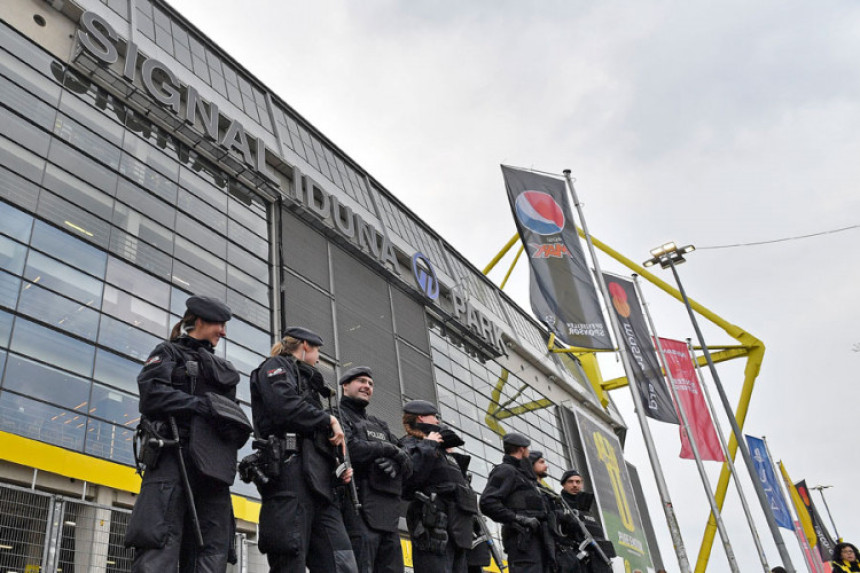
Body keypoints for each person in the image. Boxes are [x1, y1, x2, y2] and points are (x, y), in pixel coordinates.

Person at [125, 295, 252, 572]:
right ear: (201, 321)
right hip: (173, 456)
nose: (223, 332)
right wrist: (201, 405)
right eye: (219, 324)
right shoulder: (169, 352)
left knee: (211, 551)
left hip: (213, 467)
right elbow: (151, 396)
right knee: (159, 542)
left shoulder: (223, 370)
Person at [250, 327, 358, 573]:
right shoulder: (275, 366)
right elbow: (284, 406)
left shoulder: (311, 385)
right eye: (317, 349)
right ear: (306, 346)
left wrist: (338, 468)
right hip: (290, 476)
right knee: (290, 560)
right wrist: (327, 420)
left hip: (321, 485)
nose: (319, 357)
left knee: (341, 563)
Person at [337, 366, 412, 573]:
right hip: (357, 508)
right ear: (345, 385)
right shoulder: (337, 415)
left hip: (387, 517)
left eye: (370, 384)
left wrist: (396, 461)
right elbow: (350, 448)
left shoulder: (379, 424)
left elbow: (406, 457)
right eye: (361, 381)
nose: (367, 386)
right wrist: (388, 449)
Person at [399, 400, 479, 573]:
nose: (437, 422)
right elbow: (410, 479)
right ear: (421, 418)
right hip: (432, 525)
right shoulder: (410, 444)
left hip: (456, 527)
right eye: (434, 417)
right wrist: (428, 445)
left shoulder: (444, 452)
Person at [480, 433, 551, 573]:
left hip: (536, 542)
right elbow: (487, 502)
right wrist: (518, 518)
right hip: (522, 541)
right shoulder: (506, 470)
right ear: (522, 449)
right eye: (527, 449)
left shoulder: (523, 476)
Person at [558, 469, 614, 573]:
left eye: (578, 482)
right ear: (563, 485)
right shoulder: (559, 506)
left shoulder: (587, 509)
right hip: (578, 563)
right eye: (570, 481)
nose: (575, 485)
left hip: (600, 563)